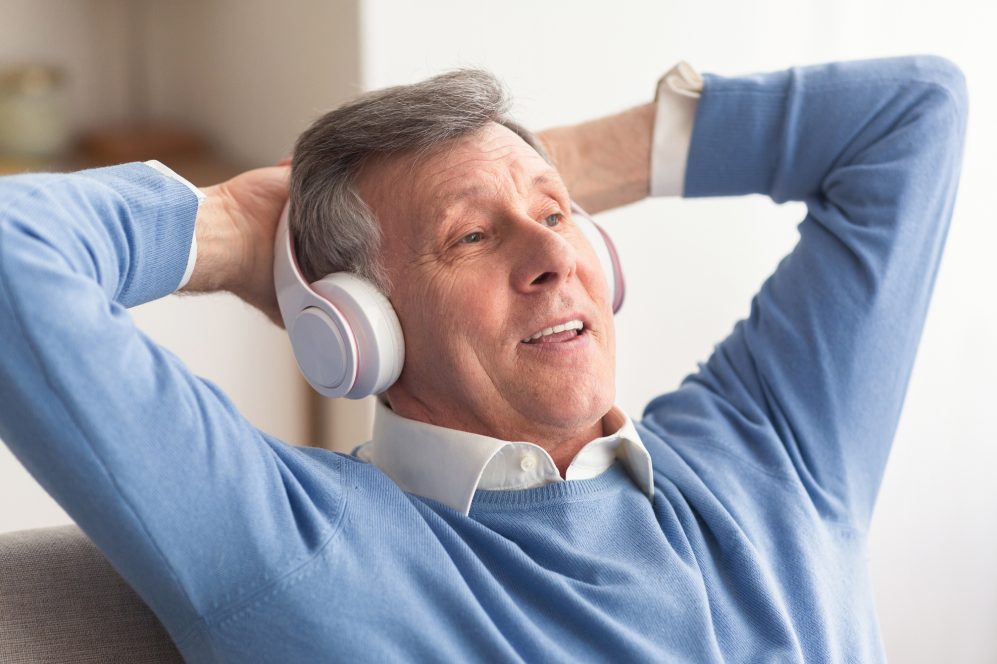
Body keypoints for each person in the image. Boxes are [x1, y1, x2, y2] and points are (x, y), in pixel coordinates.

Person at [0, 55, 967, 662]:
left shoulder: (768, 449)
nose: (554, 258)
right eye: (470, 239)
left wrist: (528, 166)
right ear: (355, 325)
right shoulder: (296, 546)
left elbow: (911, 115)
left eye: (557, 219)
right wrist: (237, 228)